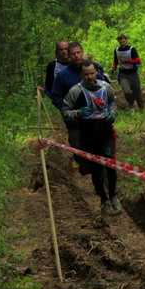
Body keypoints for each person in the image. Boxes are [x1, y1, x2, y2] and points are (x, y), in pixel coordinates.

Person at [62, 60, 121, 215]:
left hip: (106, 131)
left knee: (110, 164)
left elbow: (113, 103)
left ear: (97, 72)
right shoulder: (75, 91)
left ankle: (114, 196)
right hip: (87, 133)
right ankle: (104, 199)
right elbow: (65, 111)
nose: (89, 77)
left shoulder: (106, 87)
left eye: (92, 73)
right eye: (86, 74)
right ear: (81, 74)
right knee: (96, 168)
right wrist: (78, 113)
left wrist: (112, 114)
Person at [52, 42, 110, 170]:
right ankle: (85, 166)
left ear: (82, 52)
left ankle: (100, 173)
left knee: (101, 151)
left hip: (96, 117)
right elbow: (55, 96)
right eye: (73, 54)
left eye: (78, 53)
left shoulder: (93, 69)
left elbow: (105, 87)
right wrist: (66, 110)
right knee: (79, 152)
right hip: (75, 121)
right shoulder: (62, 76)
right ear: (69, 56)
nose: (76, 56)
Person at [112, 33, 143, 109]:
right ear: (118, 41)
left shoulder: (132, 49)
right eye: (120, 40)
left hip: (133, 73)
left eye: (124, 40)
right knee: (127, 91)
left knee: (137, 92)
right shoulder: (116, 50)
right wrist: (113, 68)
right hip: (123, 74)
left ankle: (141, 108)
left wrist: (129, 61)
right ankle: (131, 105)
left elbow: (138, 61)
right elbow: (115, 61)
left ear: (126, 40)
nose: (122, 41)